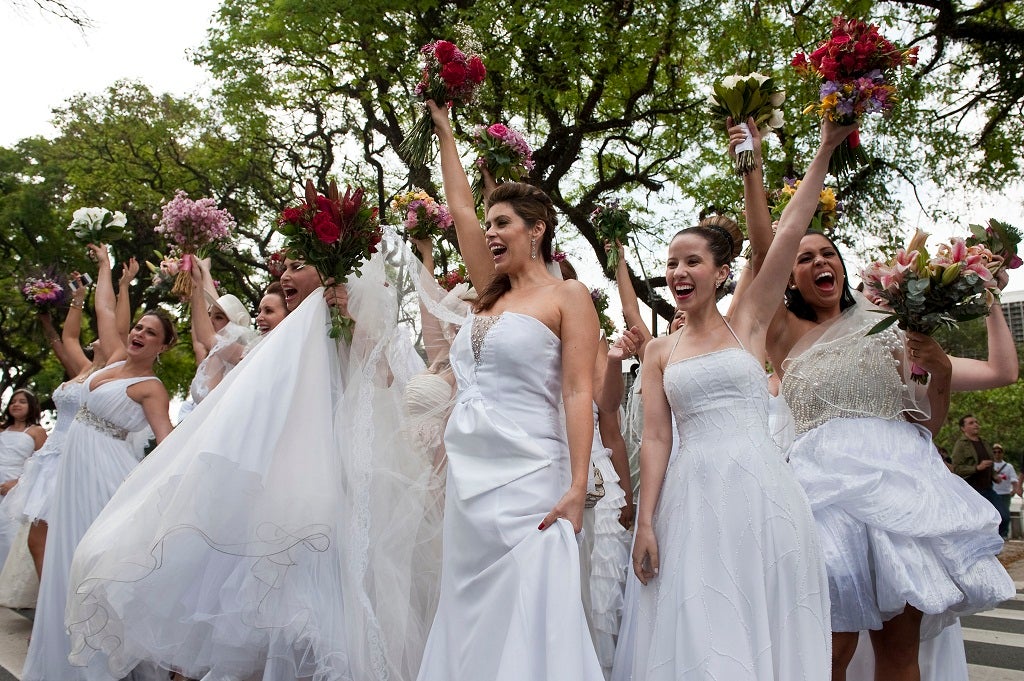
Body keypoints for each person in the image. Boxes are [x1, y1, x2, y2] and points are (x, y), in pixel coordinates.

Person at [66, 232, 441, 681]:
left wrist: (354, 325)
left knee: (314, 626)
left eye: (297, 264)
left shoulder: (349, 327)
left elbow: (380, 384)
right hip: (272, 496)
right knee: (257, 627)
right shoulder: (281, 340)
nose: (284, 274)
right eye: (285, 266)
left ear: (330, 272)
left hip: (329, 495)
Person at [738, 116, 1015, 681]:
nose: (821, 262)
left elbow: (994, 376)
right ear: (788, 276)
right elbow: (771, 242)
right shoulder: (783, 332)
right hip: (822, 490)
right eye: (807, 256)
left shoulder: (890, 327)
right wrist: (763, 161)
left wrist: (984, 297)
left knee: (898, 651)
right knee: (826, 650)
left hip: (902, 489)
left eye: (830, 254)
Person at [627, 122, 851, 681]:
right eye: (672, 263)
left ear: (722, 273)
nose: (679, 271)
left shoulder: (747, 323)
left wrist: (817, 147)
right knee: (703, 626)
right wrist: (646, 523)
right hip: (691, 498)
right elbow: (656, 439)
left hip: (760, 492)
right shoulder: (659, 352)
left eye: (692, 261)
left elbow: (785, 230)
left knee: (760, 616)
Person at [415, 100, 603, 681]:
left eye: (505, 224)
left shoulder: (568, 297)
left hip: (534, 476)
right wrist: (445, 131)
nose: (491, 233)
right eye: (490, 226)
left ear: (536, 229)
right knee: (471, 610)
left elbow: (577, 392)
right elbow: (462, 208)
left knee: (533, 601)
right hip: (472, 479)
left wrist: (576, 484)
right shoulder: (488, 292)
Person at [23, 244, 175, 681]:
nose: (139, 334)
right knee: (63, 559)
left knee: (94, 565)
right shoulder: (111, 362)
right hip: (74, 473)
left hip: (105, 476)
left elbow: (164, 438)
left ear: (163, 346)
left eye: (150, 333)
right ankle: (62, 661)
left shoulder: (152, 386)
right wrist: (107, 269)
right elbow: (105, 310)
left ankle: (102, 666)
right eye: (139, 327)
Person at [177, 257, 258, 421]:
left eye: (219, 317)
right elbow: (201, 337)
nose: (210, 321)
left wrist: (197, 286)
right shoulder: (213, 354)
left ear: (234, 325)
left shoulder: (239, 352)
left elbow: (205, 335)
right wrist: (205, 272)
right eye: (209, 316)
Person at [0, 389, 47, 569]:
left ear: (31, 406)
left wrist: (18, 483)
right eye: (13, 401)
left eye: (22, 401)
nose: (16, 404)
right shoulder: (3, 429)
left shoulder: (36, 431)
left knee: (9, 537)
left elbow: (42, 465)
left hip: (17, 488)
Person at [991, 444, 1018, 539]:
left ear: (1002, 453)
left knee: (1005, 514)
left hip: (1005, 494)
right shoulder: (990, 465)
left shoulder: (1008, 466)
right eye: (994, 452)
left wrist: (1015, 489)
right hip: (993, 493)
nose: (997, 454)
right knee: (994, 515)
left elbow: (1014, 479)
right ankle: (995, 534)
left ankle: (1004, 533)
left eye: (999, 452)